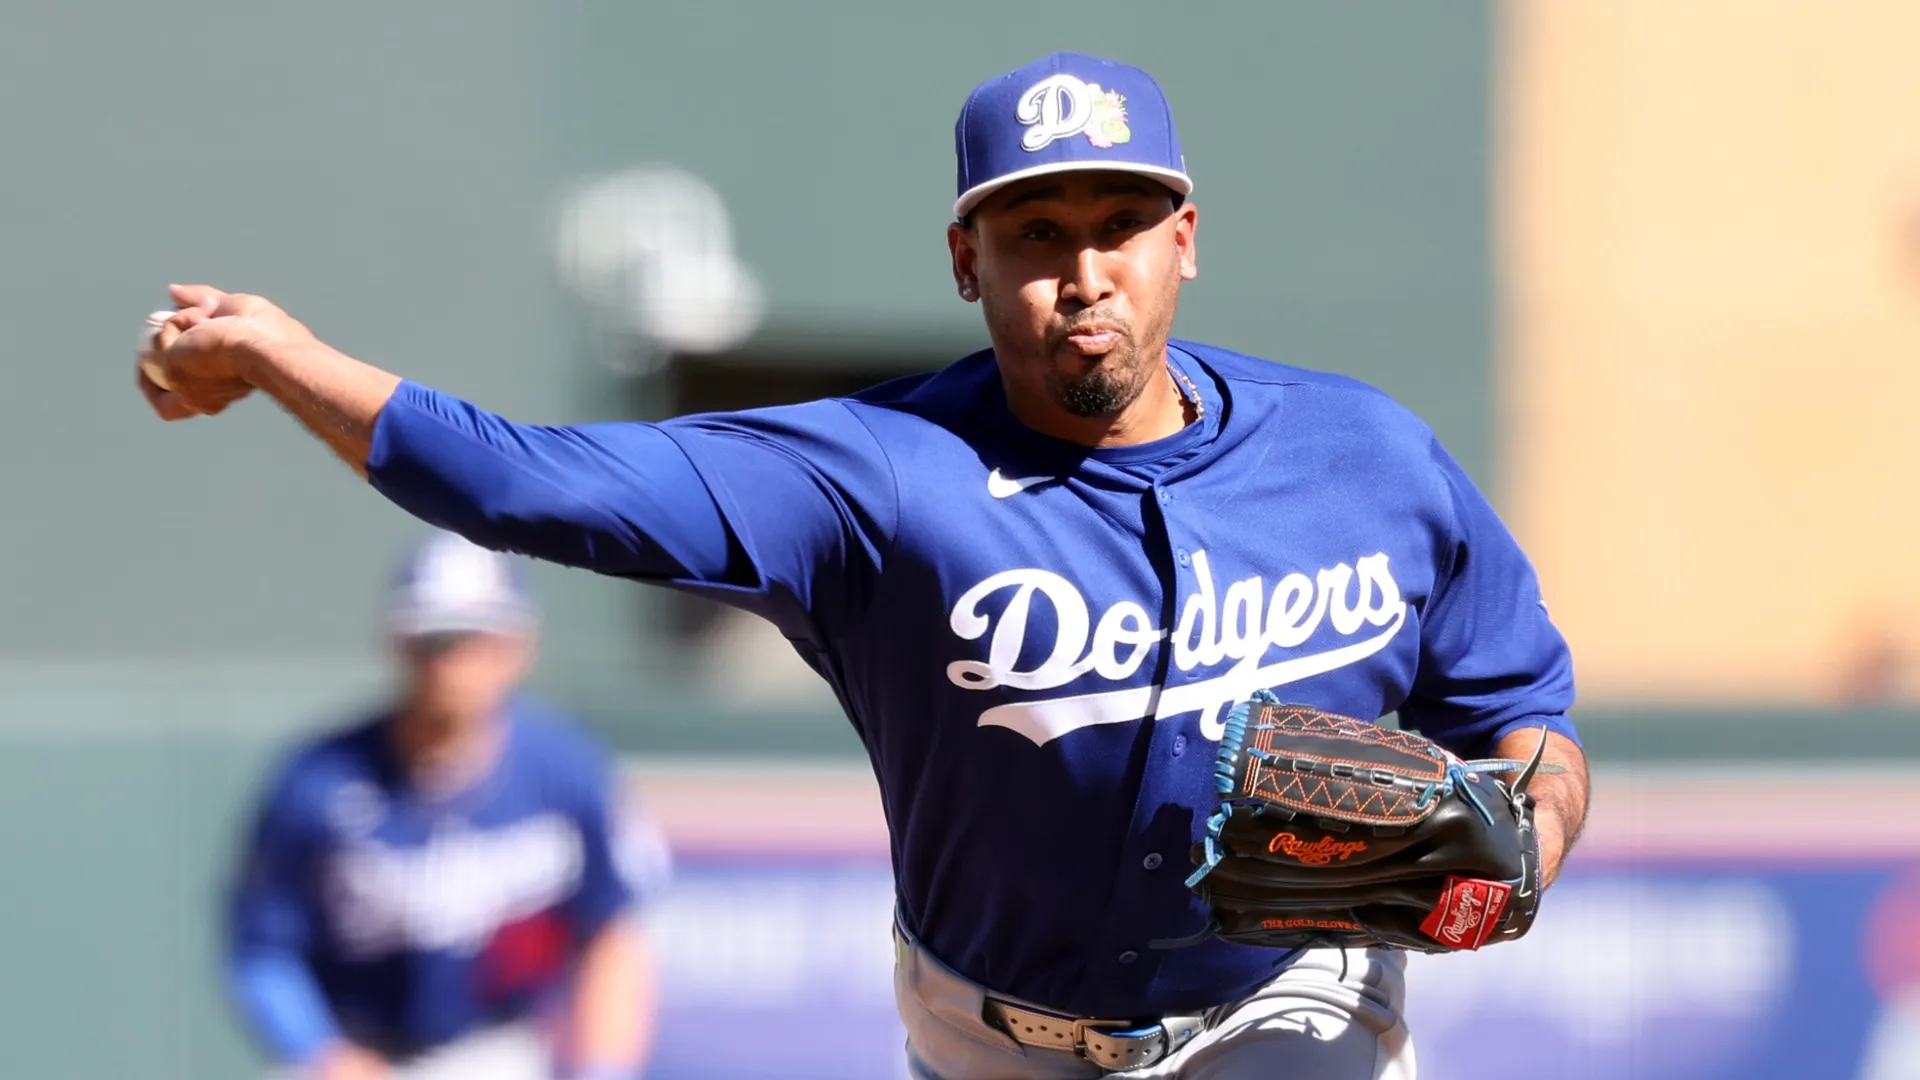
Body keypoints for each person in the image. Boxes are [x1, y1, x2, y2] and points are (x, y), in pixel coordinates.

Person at [145, 51, 1589, 1080]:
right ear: (966, 260)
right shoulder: (866, 475)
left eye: (1120, 227)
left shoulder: (1367, 458)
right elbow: (529, 484)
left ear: (1184, 242)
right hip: (993, 1038)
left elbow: (1525, 711)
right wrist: (286, 358)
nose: (1083, 272)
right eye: (1035, 232)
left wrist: (1530, 831)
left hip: (1295, 1010)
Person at [222, 531, 667, 1080]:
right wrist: (323, 1054)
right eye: (434, 638)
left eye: (475, 637)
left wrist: (604, 1071)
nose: (453, 660)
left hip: (494, 1051)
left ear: (520, 645)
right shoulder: (319, 779)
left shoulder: (567, 770)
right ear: (397, 643)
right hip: (355, 1049)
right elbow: (263, 951)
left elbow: (613, 933)